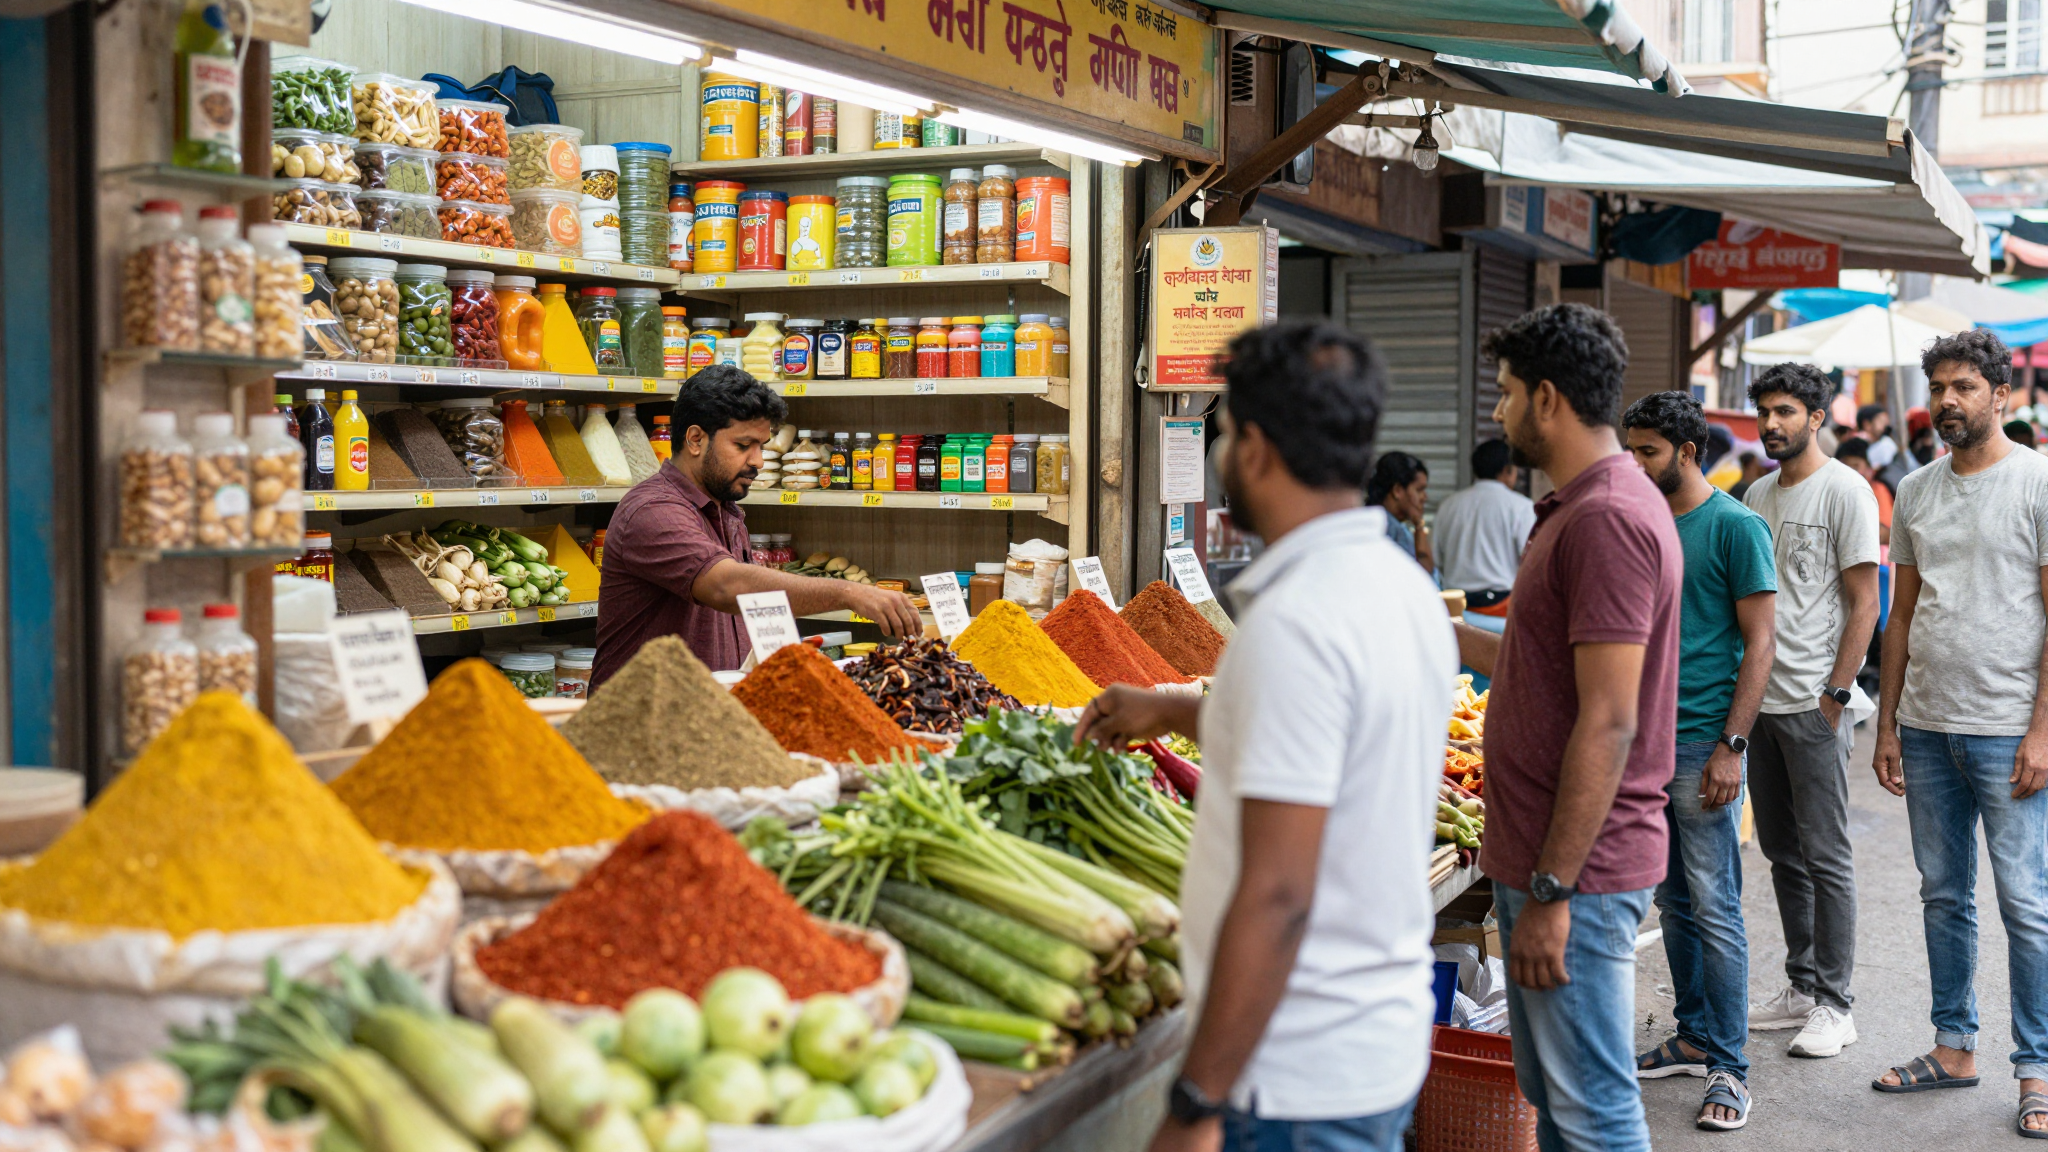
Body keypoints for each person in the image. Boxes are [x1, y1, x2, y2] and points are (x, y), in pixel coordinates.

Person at [1074, 322, 1455, 1152]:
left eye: (1226, 431)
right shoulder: (1400, 587)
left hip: (1293, 1076)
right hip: (1370, 1041)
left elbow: (1278, 892)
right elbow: (1325, 745)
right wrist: (1171, 712)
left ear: (1255, 449)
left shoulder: (1296, 620)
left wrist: (1196, 1101)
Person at [1452, 304, 1682, 1152]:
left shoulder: (1607, 517)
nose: (1499, 411)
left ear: (1547, 398)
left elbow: (1611, 720)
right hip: (1550, 862)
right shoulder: (1577, 507)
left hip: (1579, 874)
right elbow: (1547, 662)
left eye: (1507, 392)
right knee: (1556, 1100)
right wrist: (1445, 629)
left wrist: (1553, 892)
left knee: (1593, 1111)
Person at [1870, 328, 2048, 1138]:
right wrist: (1888, 724)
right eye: (1939, 386)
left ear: (2000, 395)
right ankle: (1953, 1046)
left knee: (2026, 904)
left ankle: (2036, 1068)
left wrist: (2041, 731)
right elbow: (1902, 614)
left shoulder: (2037, 482)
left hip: (2008, 729)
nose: (1947, 400)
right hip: (1927, 726)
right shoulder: (1915, 490)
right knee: (1943, 895)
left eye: (1964, 386)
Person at [1622, 391, 1777, 1131]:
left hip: (1701, 745)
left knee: (1716, 908)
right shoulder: (1641, 522)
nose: (1634, 464)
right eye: (1630, 450)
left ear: (1687, 452)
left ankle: (1730, 1068)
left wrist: (1731, 746)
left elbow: (1762, 642)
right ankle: (1691, 1035)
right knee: (1674, 902)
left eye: (1647, 452)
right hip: (1642, 745)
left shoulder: (1736, 526)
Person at [591, 366, 918, 686]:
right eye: (743, 445)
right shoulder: (653, 511)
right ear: (695, 439)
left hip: (714, 712)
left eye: (761, 445)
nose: (758, 460)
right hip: (646, 718)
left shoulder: (726, 511)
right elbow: (725, 586)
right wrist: (849, 593)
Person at [1741, 362, 1882, 1059]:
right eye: (1765, 412)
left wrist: (1836, 693)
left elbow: (1866, 602)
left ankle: (1836, 1003)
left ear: (1817, 417)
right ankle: (1801, 986)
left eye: (1786, 411)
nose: (1772, 424)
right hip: (1760, 704)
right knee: (1781, 853)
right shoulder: (1756, 494)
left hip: (1814, 705)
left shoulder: (1846, 490)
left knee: (1826, 856)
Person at [1433, 439, 1537, 615]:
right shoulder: (1521, 507)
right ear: (1507, 470)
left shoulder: (1448, 505)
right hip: (1502, 608)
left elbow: (1435, 559)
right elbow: (1531, 560)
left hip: (1456, 608)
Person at [1366, 450, 1433, 573]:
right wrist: (1419, 526)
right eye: (1419, 490)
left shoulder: (1375, 520)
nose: (1425, 497)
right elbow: (1423, 575)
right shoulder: (1392, 531)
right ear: (1397, 491)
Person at [1835, 437, 1894, 548]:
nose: (1850, 473)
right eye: (1844, 467)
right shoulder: (1834, 492)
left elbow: (1885, 532)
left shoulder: (1878, 490)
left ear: (1869, 469)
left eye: (1855, 466)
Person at [1857, 403, 1899, 471]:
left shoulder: (1886, 444)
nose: (1886, 425)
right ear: (1867, 424)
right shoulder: (1856, 446)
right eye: (1881, 421)